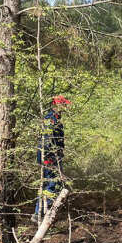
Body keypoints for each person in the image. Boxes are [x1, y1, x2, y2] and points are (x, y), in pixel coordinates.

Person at [32, 95, 70, 223]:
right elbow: (46, 142)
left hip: (53, 158)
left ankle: (41, 213)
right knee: (52, 186)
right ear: (57, 105)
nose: (65, 107)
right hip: (50, 159)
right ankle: (43, 214)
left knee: (49, 186)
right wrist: (50, 161)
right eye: (63, 105)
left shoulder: (55, 119)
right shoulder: (51, 120)